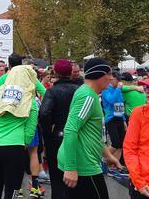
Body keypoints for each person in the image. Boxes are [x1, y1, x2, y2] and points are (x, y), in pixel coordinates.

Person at [58, 58, 121, 199]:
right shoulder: (88, 96)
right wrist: (71, 167)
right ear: (99, 74)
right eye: (109, 74)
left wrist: (108, 155)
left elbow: (92, 134)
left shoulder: (88, 93)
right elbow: (71, 130)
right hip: (83, 166)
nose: (111, 78)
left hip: (83, 163)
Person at [0, 65, 40, 199]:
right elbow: (30, 130)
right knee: (13, 188)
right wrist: (24, 144)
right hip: (15, 147)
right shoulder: (30, 101)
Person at [39, 59, 79, 199]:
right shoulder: (79, 91)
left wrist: (48, 133)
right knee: (75, 179)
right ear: (71, 73)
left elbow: (44, 114)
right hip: (77, 137)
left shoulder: (52, 91)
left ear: (55, 73)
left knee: (57, 180)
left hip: (57, 136)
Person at [101, 72, 126, 167]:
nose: (120, 82)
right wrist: (119, 89)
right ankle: (104, 160)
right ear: (112, 79)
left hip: (119, 118)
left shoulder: (117, 90)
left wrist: (123, 120)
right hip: (110, 119)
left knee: (121, 144)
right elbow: (111, 100)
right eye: (118, 79)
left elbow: (120, 105)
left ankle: (114, 165)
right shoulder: (106, 90)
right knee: (115, 143)